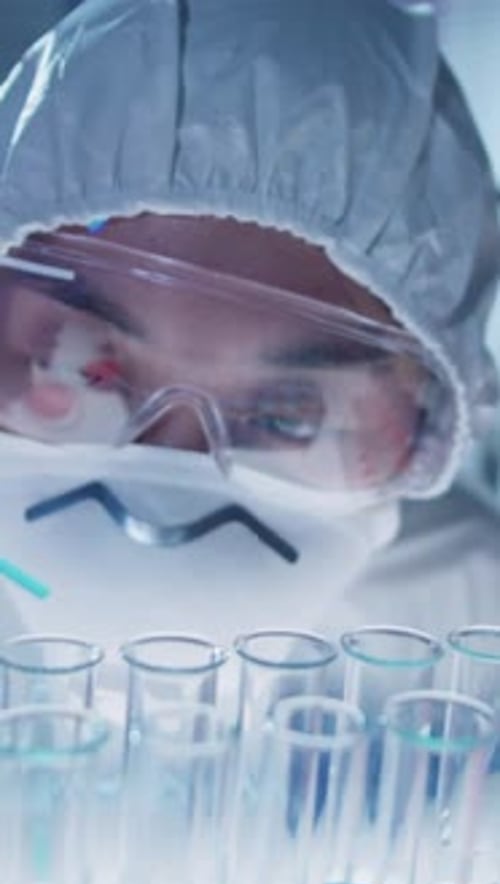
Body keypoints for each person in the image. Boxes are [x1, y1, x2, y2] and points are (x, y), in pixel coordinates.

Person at [0, 0, 498, 651]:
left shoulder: (466, 640)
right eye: (91, 368)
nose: (162, 488)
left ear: (427, 437)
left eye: (288, 415)